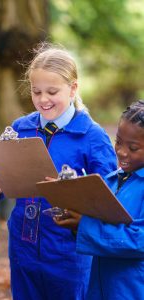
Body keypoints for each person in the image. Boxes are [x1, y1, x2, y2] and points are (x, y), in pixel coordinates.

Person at [0, 43, 117, 300]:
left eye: (52, 91)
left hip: (69, 251)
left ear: (73, 88)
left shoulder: (92, 137)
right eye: (36, 92)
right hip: (23, 245)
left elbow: (109, 197)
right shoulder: (19, 129)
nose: (43, 100)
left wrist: (77, 189)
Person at [54, 100, 144, 300]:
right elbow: (101, 223)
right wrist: (74, 220)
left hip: (132, 291)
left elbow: (139, 240)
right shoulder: (112, 180)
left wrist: (85, 226)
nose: (121, 152)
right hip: (100, 289)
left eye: (133, 147)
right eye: (118, 142)